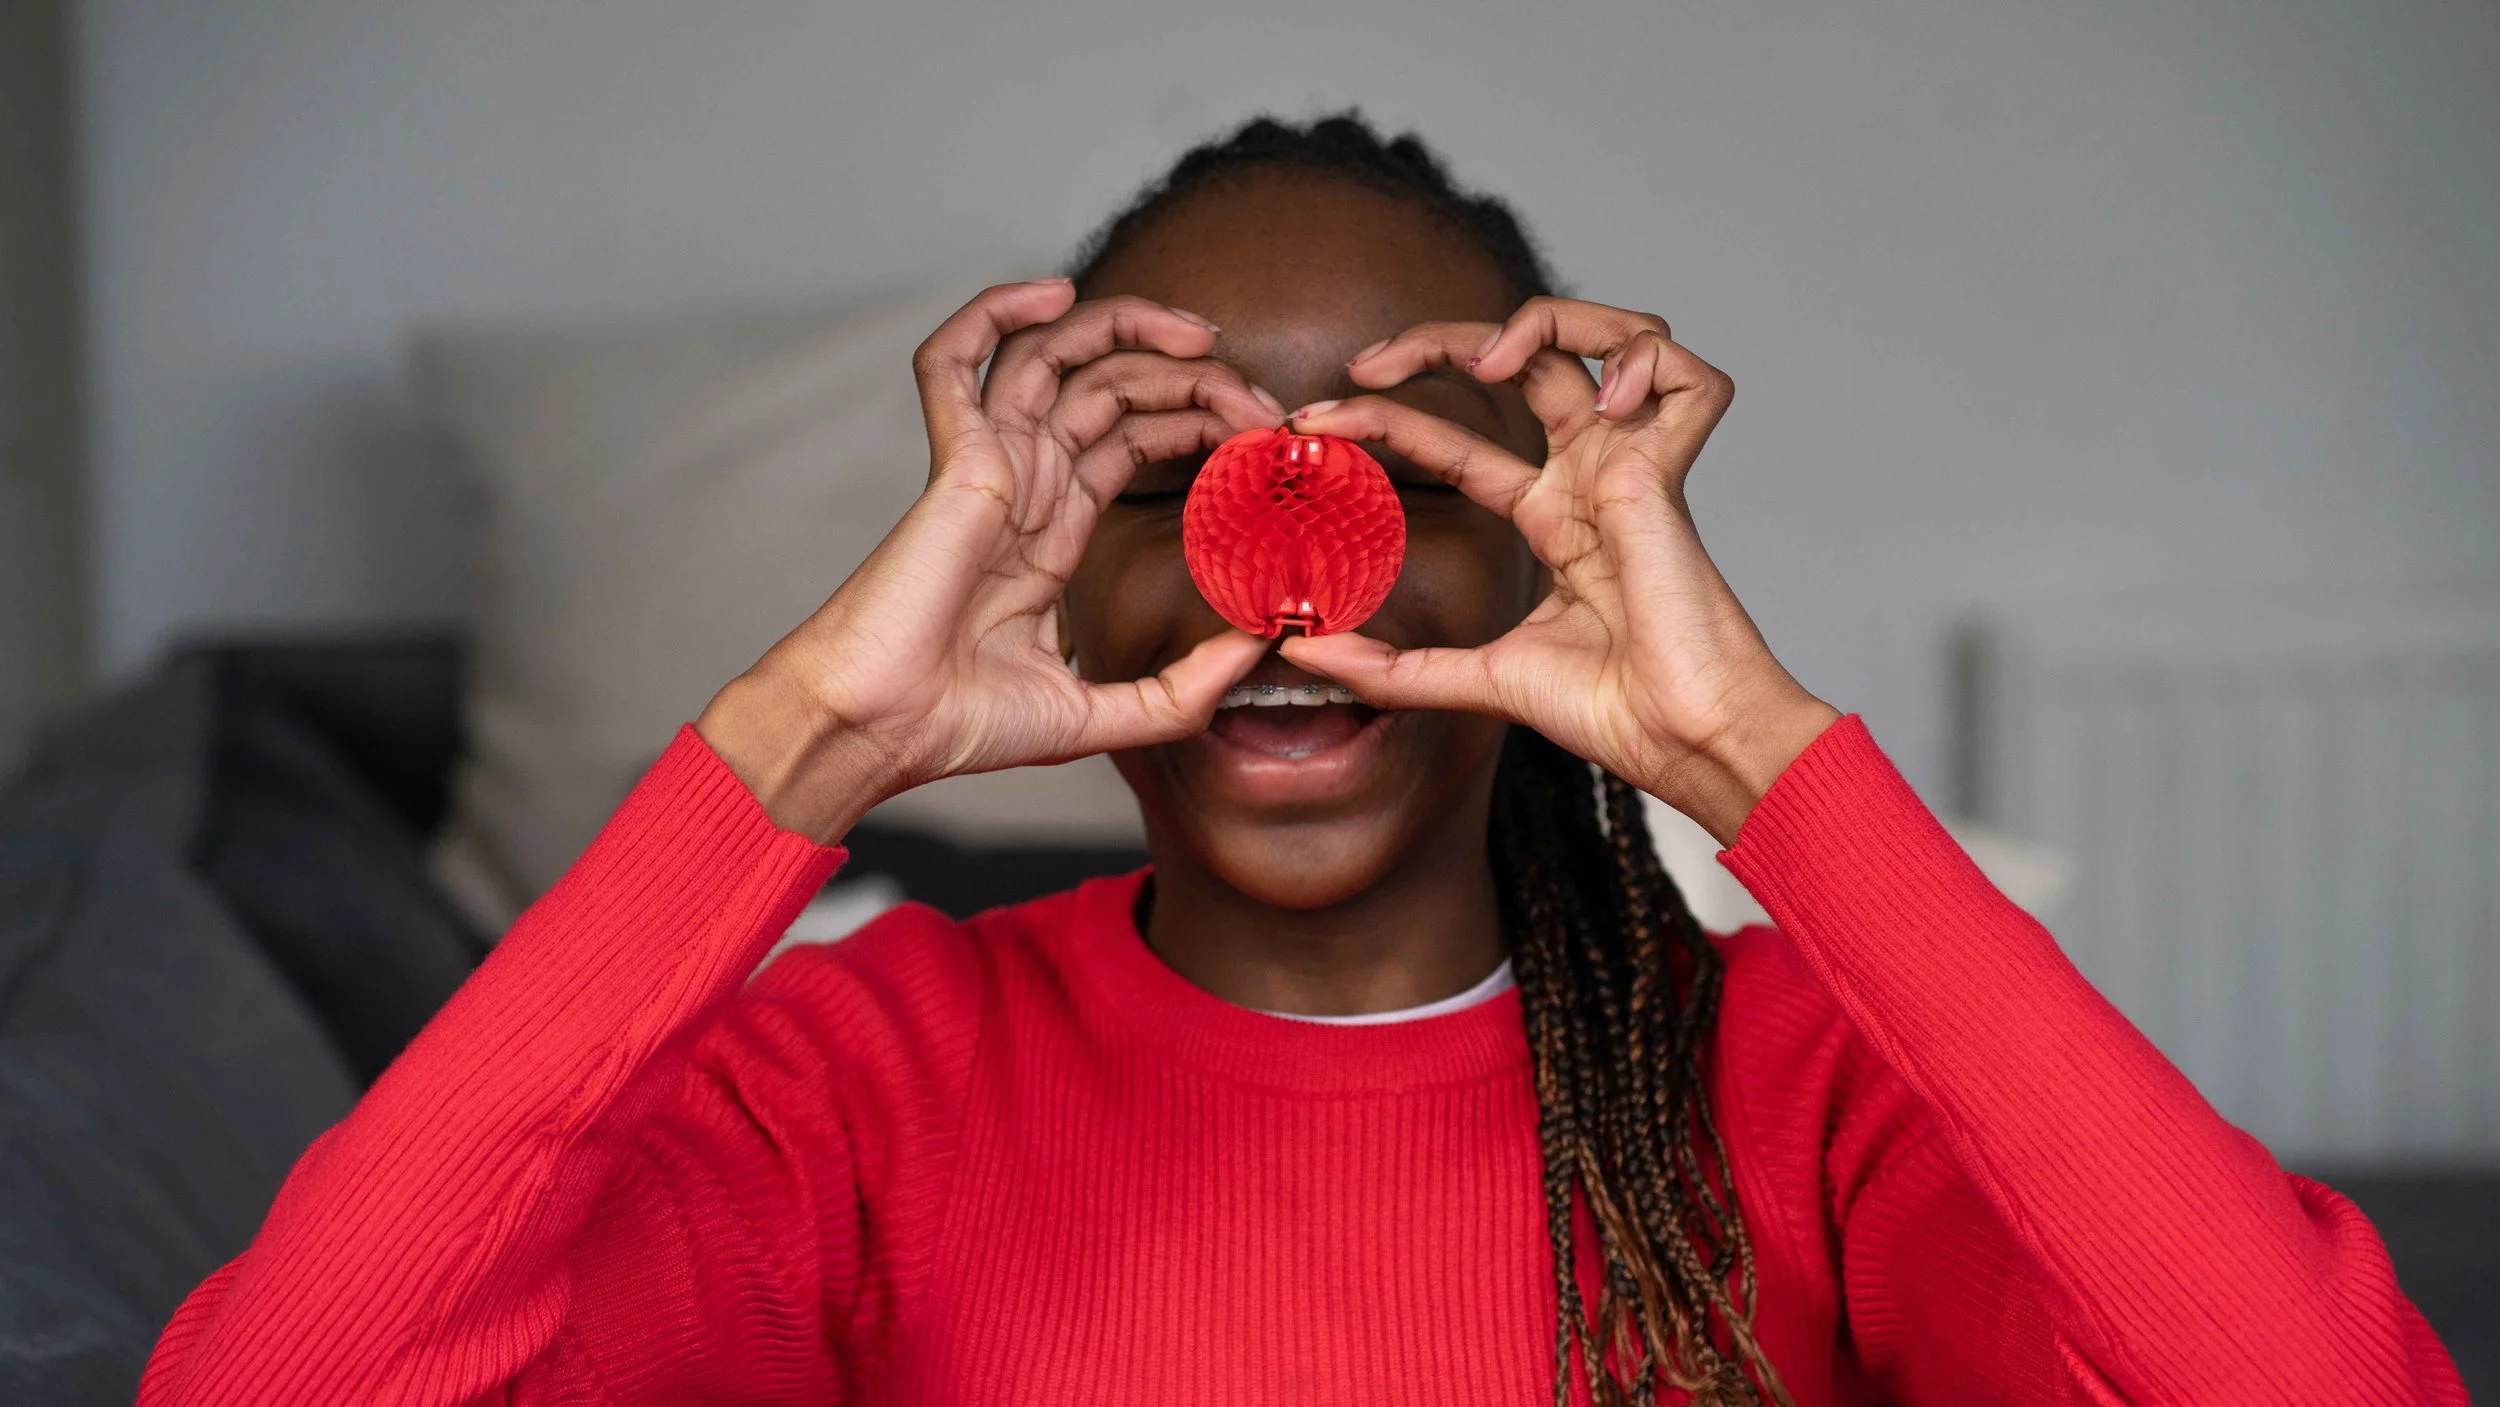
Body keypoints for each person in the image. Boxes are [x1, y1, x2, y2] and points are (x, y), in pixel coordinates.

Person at [137, 114, 2462, 1407]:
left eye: (1399, 480)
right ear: (1043, 567)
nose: (1289, 566)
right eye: (1173, 481)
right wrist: (803, 747)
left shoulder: (1798, 1088)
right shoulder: (857, 1075)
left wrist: (1752, 761)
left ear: (1555, 546)